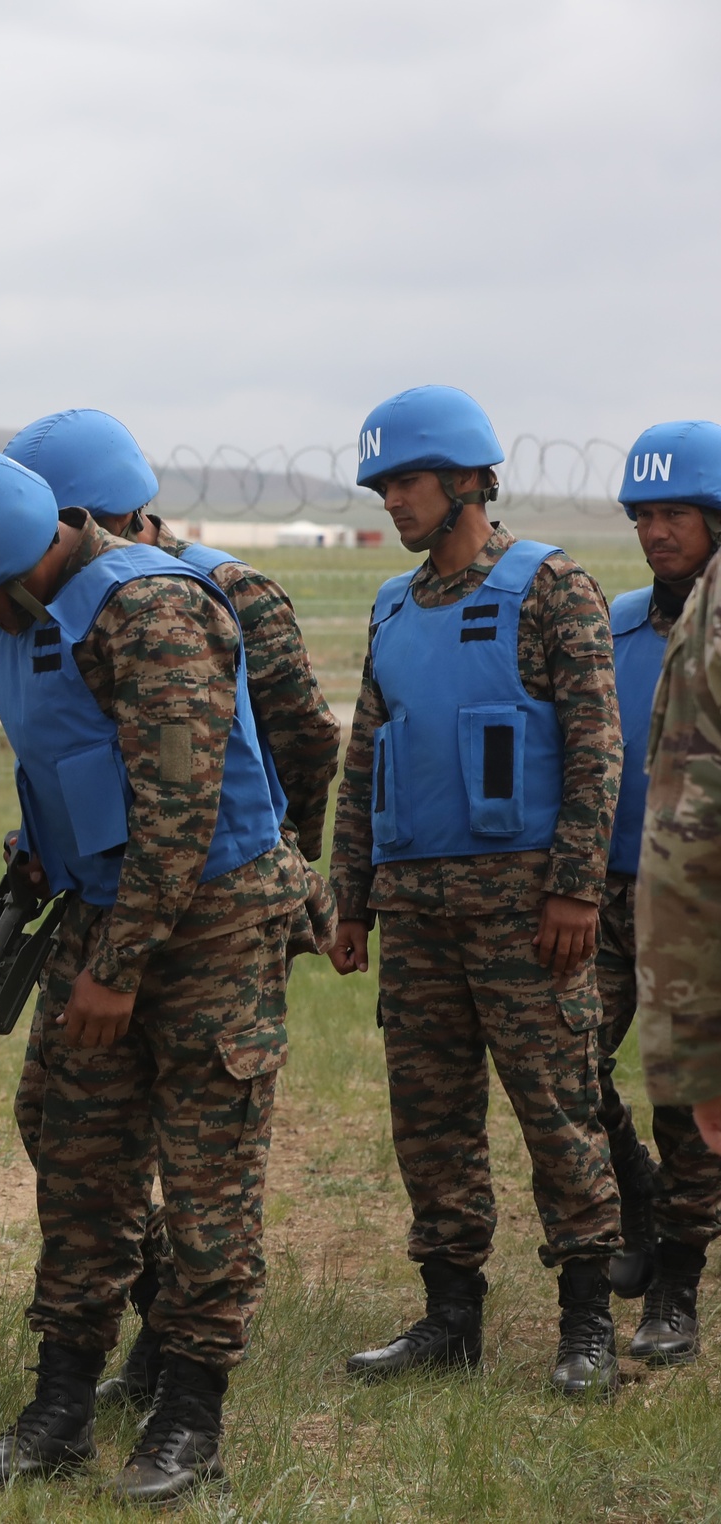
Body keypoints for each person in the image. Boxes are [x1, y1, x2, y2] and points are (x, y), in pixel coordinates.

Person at [0, 449, 302, 1505]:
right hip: (97, 912)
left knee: (208, 1180)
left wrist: (114, 968)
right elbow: (71, 767)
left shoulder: (153, 613)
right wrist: (41, 856)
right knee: (75, 1154)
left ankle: (186, 1422)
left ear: (12, 557)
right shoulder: (32, 619)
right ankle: (59, 1410)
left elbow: (179, 810)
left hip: (206, 919)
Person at [4, 409, 340, 1412]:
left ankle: (182, 1356)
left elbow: (301, 745)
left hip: (220, 896)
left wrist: (285, 877)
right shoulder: (48, 609)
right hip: (117, 894)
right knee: (71, 1129)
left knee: (201, 1144)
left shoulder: (217, 592)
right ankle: (146, 1316)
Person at [328, 385, 623, 1399]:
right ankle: (447, 1315)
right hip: (413, 910)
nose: (390, 501)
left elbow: (594, 748)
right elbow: (366, 752)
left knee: (554, 1107)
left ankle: (586, 1318)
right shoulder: (389, 605)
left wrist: (575, 890)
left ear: (465, 483)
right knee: (430, 1116)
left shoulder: (551, 587)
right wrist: (348, 895)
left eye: (405, 481)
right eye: (381, 485)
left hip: (525, 908)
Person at [609, 421, 721, 1362]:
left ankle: (676, 1293)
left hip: (704, 904)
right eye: (643, 515)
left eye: (675, 512)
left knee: (688, 1098)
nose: (656, 531)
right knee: (562, 1071)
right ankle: (634, 1194)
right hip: (607, 894)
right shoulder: (608, 628)